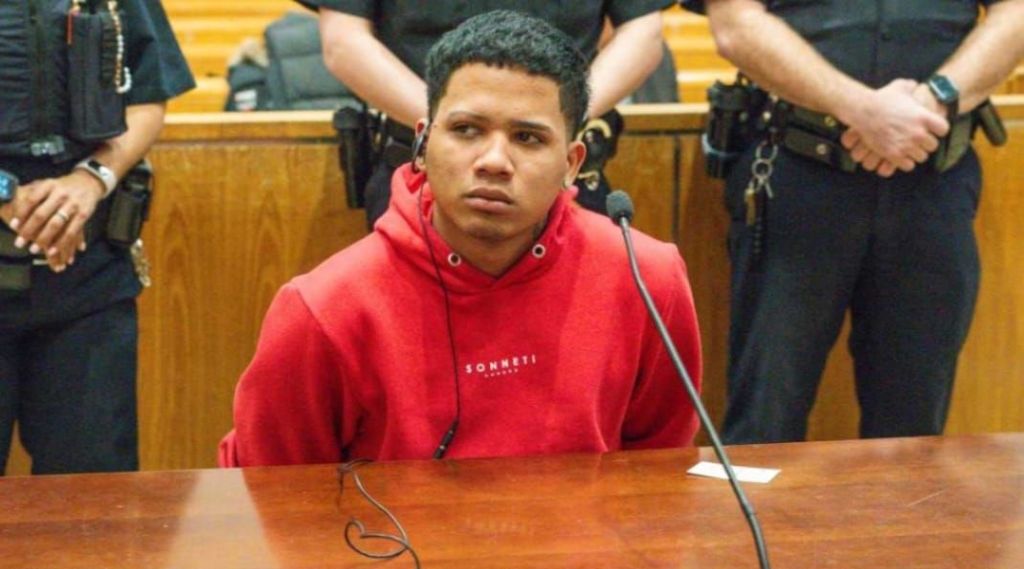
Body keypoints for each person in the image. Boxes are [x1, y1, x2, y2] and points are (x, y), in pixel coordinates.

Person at [220, 10, 701, 467]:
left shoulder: (648, 279)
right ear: (423, 143)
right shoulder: (322, 308)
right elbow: (268, 489)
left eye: (528, 138)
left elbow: (658, 468)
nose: (494, 161)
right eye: (467, 130)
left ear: (572, 163)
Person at [683, 0, 1024, 444]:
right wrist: (862, 110)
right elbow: (735, 24)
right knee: (765, 420)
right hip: (795, 174)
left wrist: (935, 99)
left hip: (932, 176)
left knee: (913, 429)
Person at [0, 1, 194, 474]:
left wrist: (91, 180)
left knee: (95, 500)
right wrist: (6, 194)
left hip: (88, 286)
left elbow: (147, 95)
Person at [301, 0, 674, 223]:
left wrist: (561, 117)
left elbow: (642, 32)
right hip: (418, 169)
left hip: (561, 170)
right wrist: (453, 124)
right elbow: (344, 41)